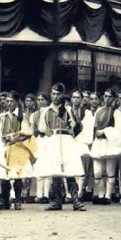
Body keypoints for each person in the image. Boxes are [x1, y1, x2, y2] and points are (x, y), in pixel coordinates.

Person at [34, 83, 86, 211]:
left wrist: (70, 130)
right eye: (53, 94)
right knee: (55, 171)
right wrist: (50, 135)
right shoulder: (46, 111)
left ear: (62, 95)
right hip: (53, 140)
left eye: (58, 94)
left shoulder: (68, 109)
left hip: (66, 140)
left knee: (70, 170)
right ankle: (56, 201)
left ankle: (75, 200)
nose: (55, 97)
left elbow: (77, 126)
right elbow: (41, 127)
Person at [89, 90, 121, 205]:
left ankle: (108, 195)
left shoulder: (116, 112)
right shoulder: (99, 110)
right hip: (99, 143)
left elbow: (119, 130)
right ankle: (100, 193)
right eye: (105, 96)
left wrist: (104, 132)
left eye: (110, 96)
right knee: (97, 172)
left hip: (109, 143)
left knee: (109, 171)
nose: (107, 99)